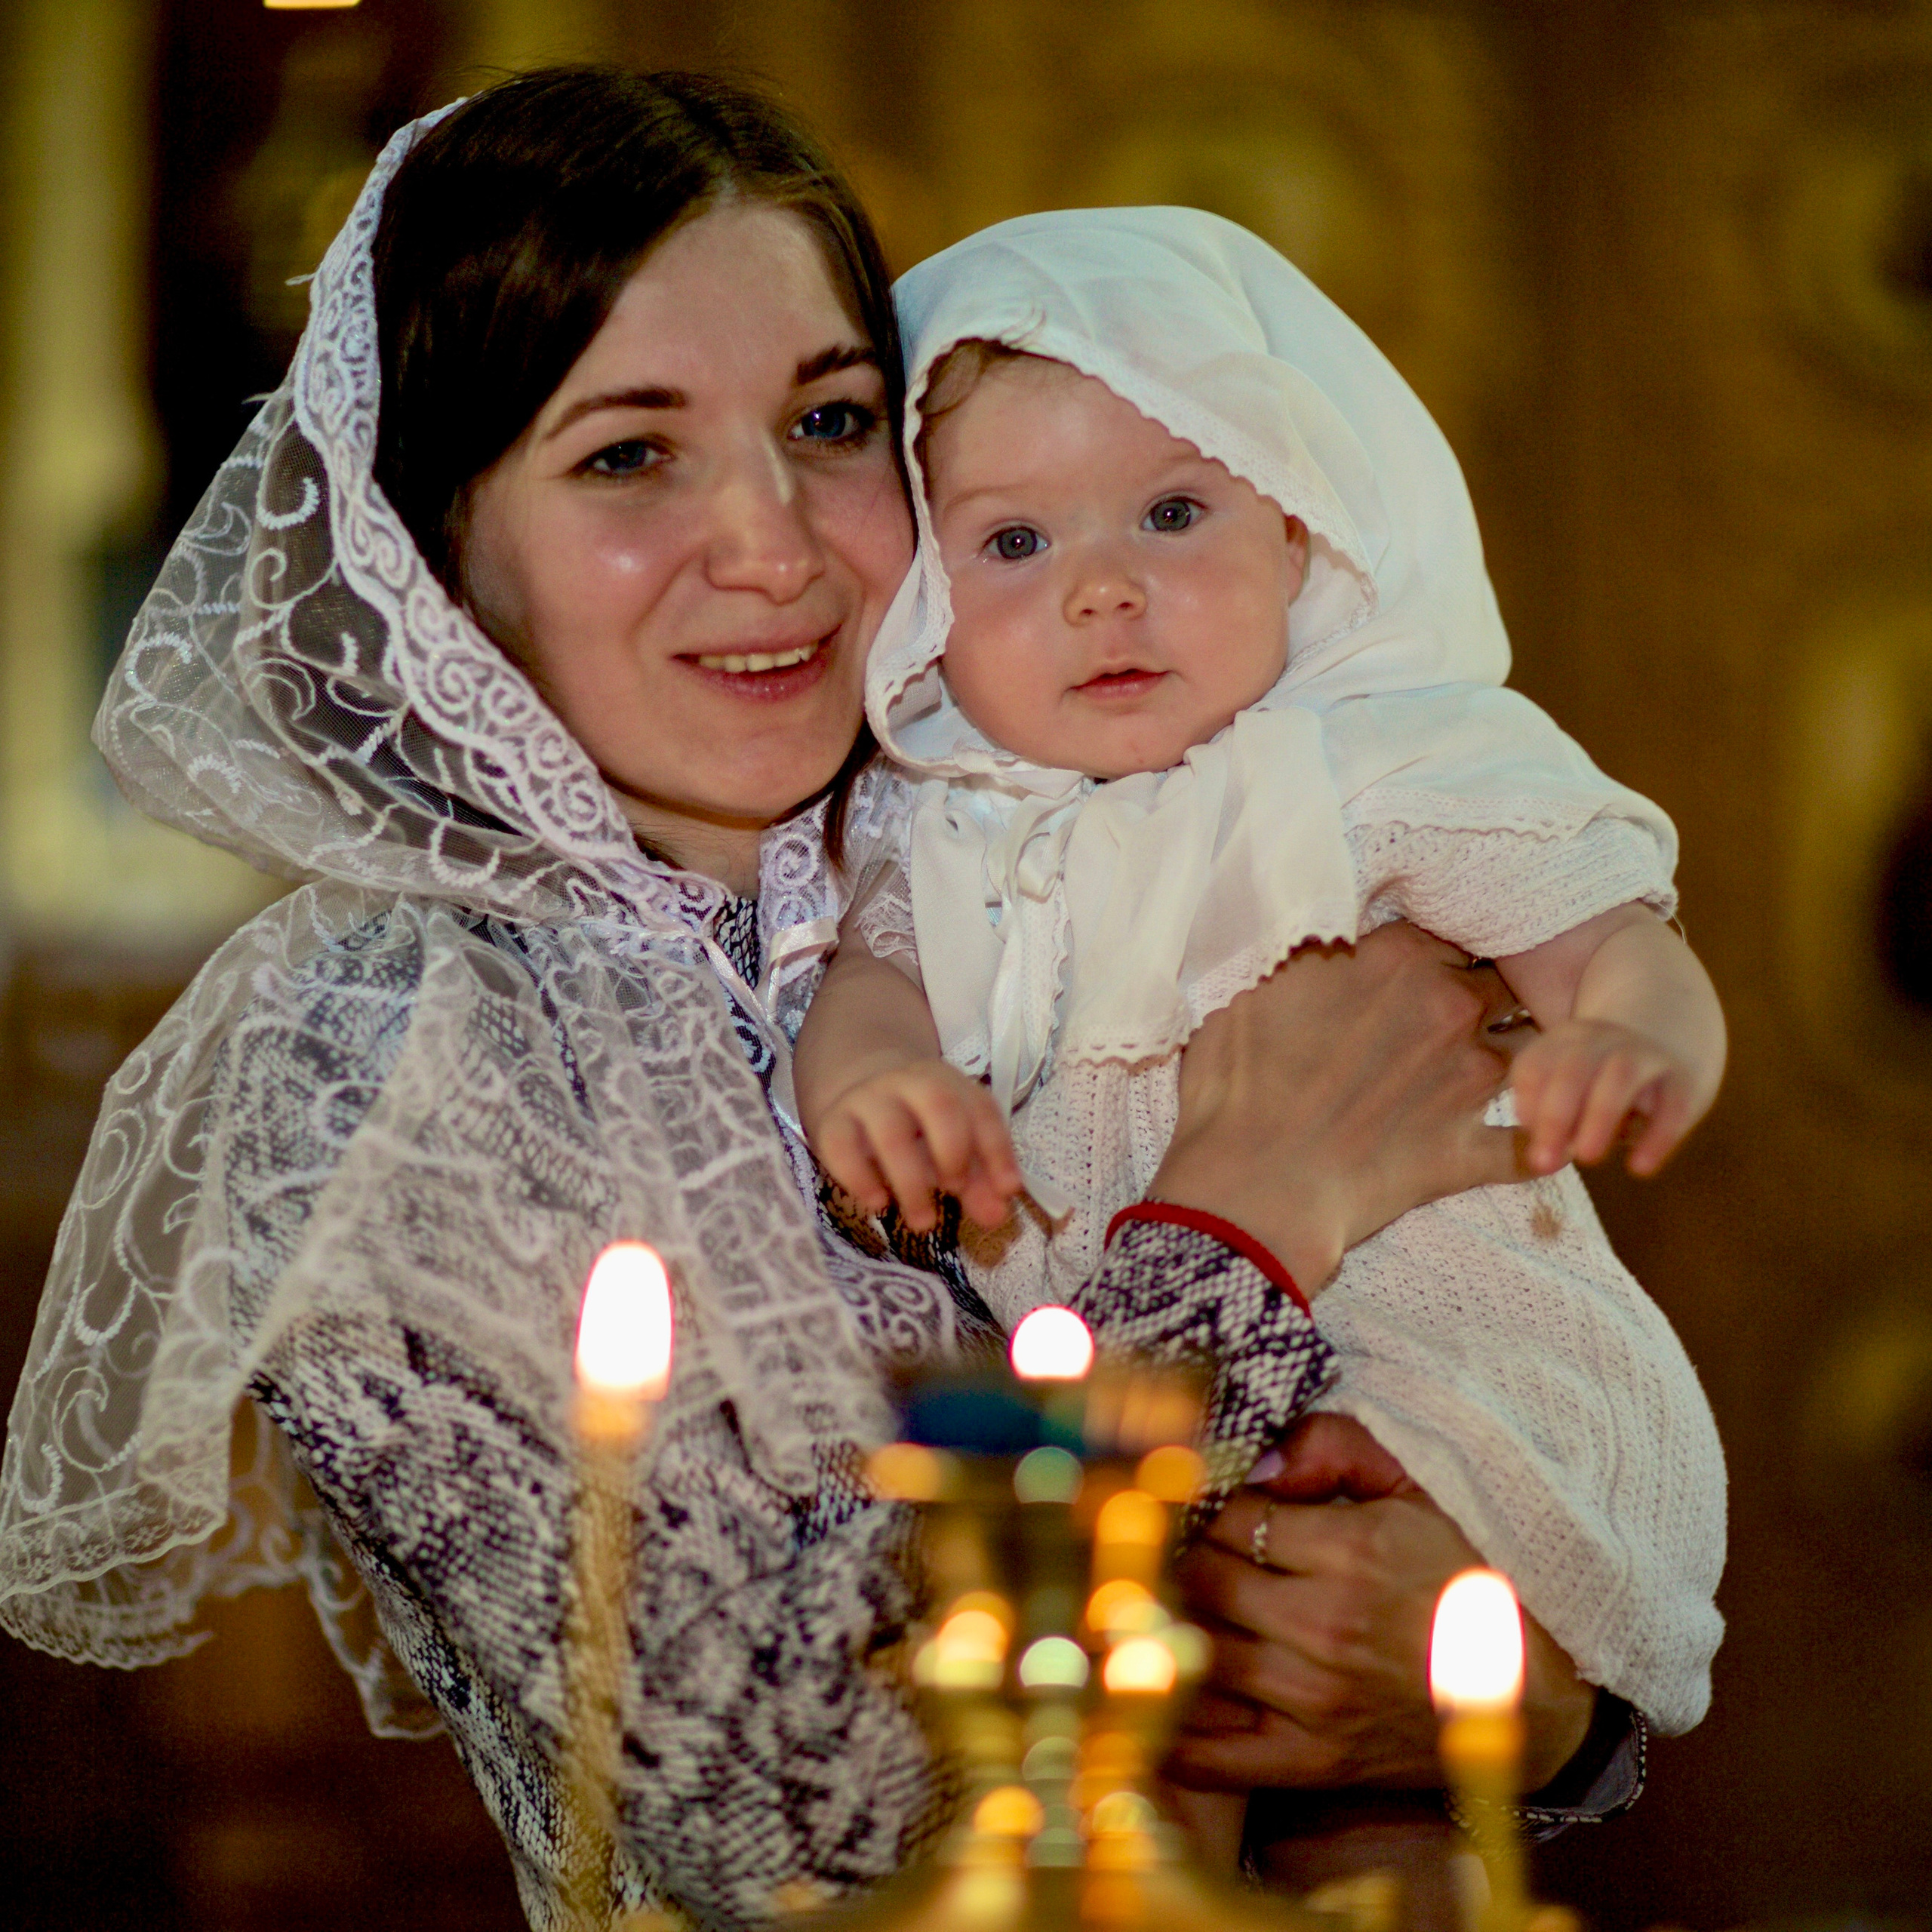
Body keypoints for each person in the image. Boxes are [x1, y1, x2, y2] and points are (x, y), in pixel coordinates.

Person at [0, 69, 1684, 1932]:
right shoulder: (384, 1055)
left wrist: (1517, 1699)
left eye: (826, 419)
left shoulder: (1047, 815)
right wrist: (1246, 1215)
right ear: (434, 545)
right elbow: (765, 1800)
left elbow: (1460, 1391)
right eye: (627, 453)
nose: (778, 543)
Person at [789, 211, 1727, 1855]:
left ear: (1296, 539)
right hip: (1137, 1375)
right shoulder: (935, 816)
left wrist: (1634, 1040)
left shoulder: (1375, 762)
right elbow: (869, 976)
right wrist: (873, 1072)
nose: (1103, 588)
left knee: (1382, 1764)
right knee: (1163, 1748)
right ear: (926, 604)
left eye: (1171, 510)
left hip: (1426, 1346)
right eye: (1012, 545)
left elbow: (1610, 936)